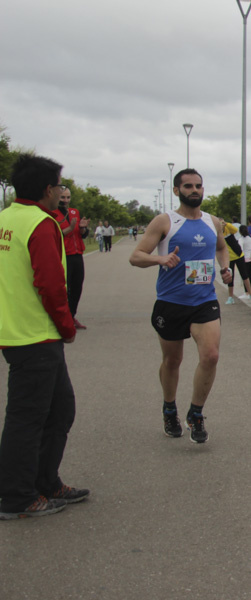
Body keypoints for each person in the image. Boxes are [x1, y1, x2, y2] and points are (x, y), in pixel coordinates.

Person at [0, 154, 88, 520]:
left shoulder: (6, 219)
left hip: (18, 332)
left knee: (59, 409)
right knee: (27, 418)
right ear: (48, 189)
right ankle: (18, 497)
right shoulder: (41, 223)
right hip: (35, 336)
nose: (61, 193)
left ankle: (45, 481)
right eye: (59, 186)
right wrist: (66, 326)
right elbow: (51, 285)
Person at [129, 168, 233, 444]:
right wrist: (160, 260)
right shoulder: (165, 221)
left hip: (204, 301)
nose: (195, 190)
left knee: (210, 355)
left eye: (199, 185)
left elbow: (222, 248)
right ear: (177, 191)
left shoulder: (212, 222)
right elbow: (136, 256)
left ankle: (196, 414)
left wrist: (225, 268)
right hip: (171, 302)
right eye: (188, 186)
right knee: (173, 361)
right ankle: (169, 408)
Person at [54, 186, 88, 329]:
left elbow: (82, 235)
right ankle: (62, 318)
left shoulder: (75, 212)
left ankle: (71, 316)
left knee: (77, 287)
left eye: (68, 197)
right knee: (64, 288)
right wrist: (69, 228)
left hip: (77, 254)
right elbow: (56, 235)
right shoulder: (52, 213)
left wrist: (82, 228)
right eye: (63, 197)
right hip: (63, 255)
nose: (66, 200)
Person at [223, 219, 247, 305]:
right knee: (230, 278)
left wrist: (227, 224)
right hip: (229, 258)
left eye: (222, 223)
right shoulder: (219, 234)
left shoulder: (228, 229)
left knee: (244, 275)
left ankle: (250, 294)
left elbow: (235, 230)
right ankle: (230, 297)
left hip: (238, 254)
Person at [238, 225, 251, 302]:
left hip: (244, 259)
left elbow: (240, 249)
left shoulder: (241, 239)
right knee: (250, 276)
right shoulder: (250, 239)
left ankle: (247, 292)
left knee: (245, 277)